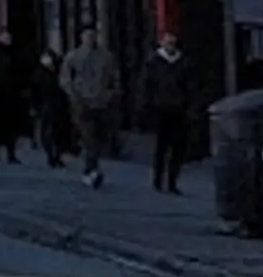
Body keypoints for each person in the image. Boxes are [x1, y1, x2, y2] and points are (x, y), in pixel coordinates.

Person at [135, 33, 195, 194]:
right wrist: (144, 107)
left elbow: (190, 87)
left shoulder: (184, 63)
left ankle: (172, 182)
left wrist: (189, 107)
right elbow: (146, 87)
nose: (170, 46)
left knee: (177, 149)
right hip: (159, 109)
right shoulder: (153, 63)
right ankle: (157, 180)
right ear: (162, 44)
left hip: (179, 110)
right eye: (167, 42)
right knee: (160, 147)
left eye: (173, 42)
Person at [64, 28, 122, 187]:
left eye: (93, 35)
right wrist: (74, 95)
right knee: (90, 137)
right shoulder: (73, 56)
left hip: (102, 102)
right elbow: (65, 78)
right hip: (82, 103)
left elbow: (115, 76)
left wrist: (112, 93)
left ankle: (91, 167)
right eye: (87, 35)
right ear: (82, 37)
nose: (90, 38)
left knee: (100, 136)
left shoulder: (106, 57)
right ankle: (91, 170)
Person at [0, 37, 31, 163]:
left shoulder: (16, 53)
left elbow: (23, 71)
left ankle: (10, 152)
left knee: (11, 124)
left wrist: (22, 88)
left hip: (12, 94)